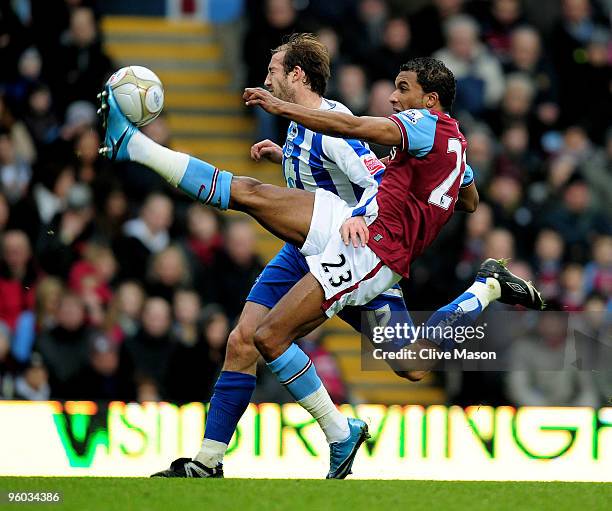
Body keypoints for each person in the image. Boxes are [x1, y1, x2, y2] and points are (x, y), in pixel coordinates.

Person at [99, 56, 544, 478]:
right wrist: (428, 195)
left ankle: (342, 428)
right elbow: (468, 199)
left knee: (281, 338)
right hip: (344, 234)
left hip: (366, 248)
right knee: (246, 304)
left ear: (430, 100)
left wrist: (278, 107)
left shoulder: (415, 124)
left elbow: (351, 129)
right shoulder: (454, 148)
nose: (392, 97)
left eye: (402, 89)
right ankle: (209, 459)